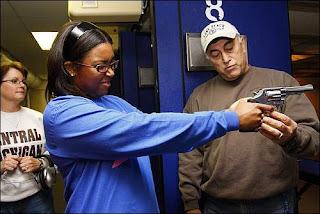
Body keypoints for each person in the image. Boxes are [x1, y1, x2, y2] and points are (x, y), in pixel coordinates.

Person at [43, 21, 275, 213]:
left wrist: (228, 114)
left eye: (112, 63)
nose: (111, 72)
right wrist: (228, 118)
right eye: (100, 66)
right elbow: (143, 129)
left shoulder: (112, 102)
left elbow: (162, 132)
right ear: (71, 68)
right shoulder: (61, 114)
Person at [178, 20, 319, 213]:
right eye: (215, 54)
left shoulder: (280, 81)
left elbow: (314, 141)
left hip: (276, 202)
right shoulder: (199, 97)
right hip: (218, 205)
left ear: (242, 44)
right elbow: (190, 153)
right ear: (209, 59)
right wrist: (191, 204)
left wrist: (291, 138)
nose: (226, 58)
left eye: (230, 47)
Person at [1, 61, 55, 213]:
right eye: (14, 81)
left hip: (37, 197)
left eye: (23, 82)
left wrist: (39, 162)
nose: (22, 85)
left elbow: (55, 154)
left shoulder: (38, 118)